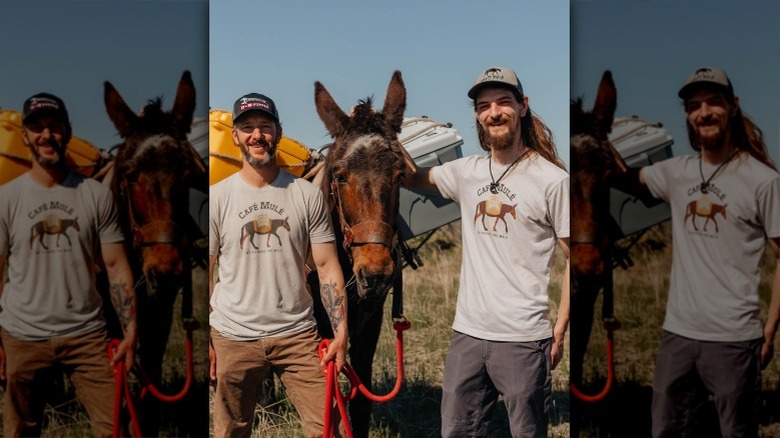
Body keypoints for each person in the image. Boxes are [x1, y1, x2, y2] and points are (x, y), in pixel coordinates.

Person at [404, 66, 571, 437]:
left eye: (503, 102)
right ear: (478, 116)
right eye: (484, 106)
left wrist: (559, 331)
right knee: (457, 431)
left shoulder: (553, 181)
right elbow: (412, 176)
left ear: (523, 106)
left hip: (524, 339)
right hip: (467, 335)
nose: (494, 112)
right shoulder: (466, 172)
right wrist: (381, 129)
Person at [614, 66, 780, 437]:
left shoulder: (763, 181)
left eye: (713, 102)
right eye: (694, 106)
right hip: (677, 336)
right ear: (688, 116)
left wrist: (769, 331)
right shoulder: (676, 172)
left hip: (735, 339)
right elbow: (625, 178)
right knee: (666, 430)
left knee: (736, 432)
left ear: (733, 106)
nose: (704, 112)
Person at [208, 93, 347, 438]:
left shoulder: (306, 195)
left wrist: (341, 332)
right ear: (236, 137)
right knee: (230, 431)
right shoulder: (218, 198)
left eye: (265, 126)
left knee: (330, 428)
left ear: (278, 132)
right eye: (248, 128)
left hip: (297, 335)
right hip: (233, 336)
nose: (257, 135)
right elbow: (205, 272)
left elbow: (327, 266)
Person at [0, 93, 137, 437]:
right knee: (19, 430)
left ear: (68, 132)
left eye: (55, 126)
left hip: (87, 336)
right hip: (23, 336)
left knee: (116, 427)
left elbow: (115, 265)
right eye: (37, 128)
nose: (47, 135)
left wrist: (130, 330)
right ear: (25, 136)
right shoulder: (6, 199)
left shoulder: (95, 195)